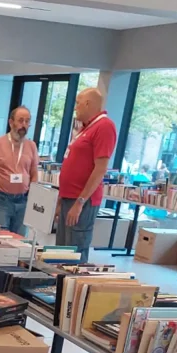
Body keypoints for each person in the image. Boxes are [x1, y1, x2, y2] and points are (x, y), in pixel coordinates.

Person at [56, 87, 118, 263]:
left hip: (82, 201)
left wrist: (80, 202)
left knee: (74, 252)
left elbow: (100, 169)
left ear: (88, 104)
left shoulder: (104, 126)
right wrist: (61, 199)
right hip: (69, 198)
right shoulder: (85, 128)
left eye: (78, 103)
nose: (75, 107)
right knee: (60, 252)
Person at [0, 105, 39, 234]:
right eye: (20, 120)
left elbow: (34, 175)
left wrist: (32, 200)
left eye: (27, 121)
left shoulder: (31, 146)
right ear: (11, 122)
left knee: (19, 240)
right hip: (1, 200)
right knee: (0, 239)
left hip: (23, 201)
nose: (24, 125)